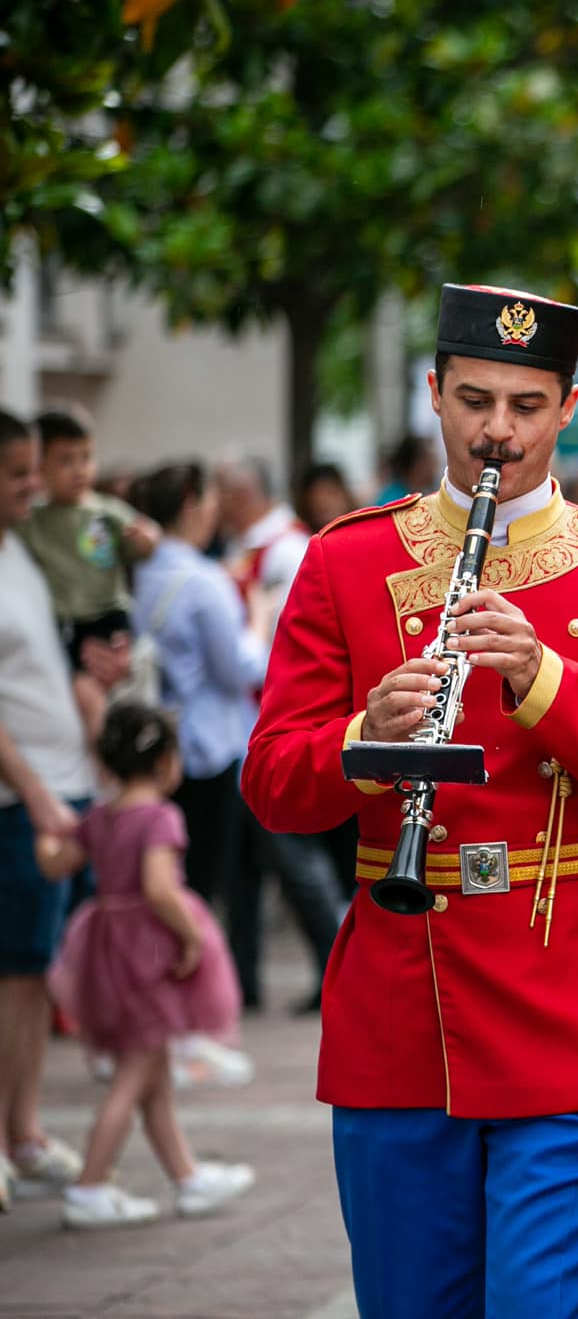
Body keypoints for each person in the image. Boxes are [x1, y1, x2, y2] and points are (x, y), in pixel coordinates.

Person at [241, 284, 578, 1317]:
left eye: (523, 404)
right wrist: (362, 741)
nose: (494, 430)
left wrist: (546, 685)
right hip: (398, 1013)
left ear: (566, 408)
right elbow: (275, 786)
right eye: (472, 400)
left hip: (573, 1013)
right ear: (433, 394)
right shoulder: (348, 557)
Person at [132, 461, 345, 1017]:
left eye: (224, 493)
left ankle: (306, 969)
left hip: (251, 732)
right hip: (228, 739)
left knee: (272, 862)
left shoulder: (283, 550)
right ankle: (242, 982)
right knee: (240, 870)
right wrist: (254, 617)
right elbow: (241, 663)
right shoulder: (210, 569)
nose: (218, 506)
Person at [39, 702, 255, 1228]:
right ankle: (89, 1187)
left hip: (109, 949)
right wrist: (190, 937)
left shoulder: (100, 816)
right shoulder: (160, 816)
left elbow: (57, 865)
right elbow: (160, 889)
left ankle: (187, 1178)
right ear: (164, 762)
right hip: (148, 955)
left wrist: (46, 834)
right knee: (136, 1073)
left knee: (152, 1072)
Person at [0, 408, 95, 1214]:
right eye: (19, 473)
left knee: (31, 972)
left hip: (57, 792)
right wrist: (33, 794)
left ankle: (21, 1133)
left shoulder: (25, 553)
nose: (35, 485)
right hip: (19, 801)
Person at [17, 407, 159, 738]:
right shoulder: (34, 518)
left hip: (107, 612)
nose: (79, 470)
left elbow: (143, 540)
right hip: (66, 621)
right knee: (82, 693)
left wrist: (146, 540)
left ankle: (109, 757)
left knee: (101, 692)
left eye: (86, 457)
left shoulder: (104, 511)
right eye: (66, 461)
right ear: (40, 468)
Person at [216, 454, 310, 612]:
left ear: (241, 496)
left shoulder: (289, 549)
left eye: (219, 493)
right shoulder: (239, 539)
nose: (213, 504)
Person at [375, 433, 441, 506]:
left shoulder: (422, 494)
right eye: (429, 460)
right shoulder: (394, 503)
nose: (435, 466)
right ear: (416, 465)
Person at [295, 461, 358, 533]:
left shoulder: (362, 531)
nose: (325, 504)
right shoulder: (298, 539)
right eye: (316, 499)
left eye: (330, 493)